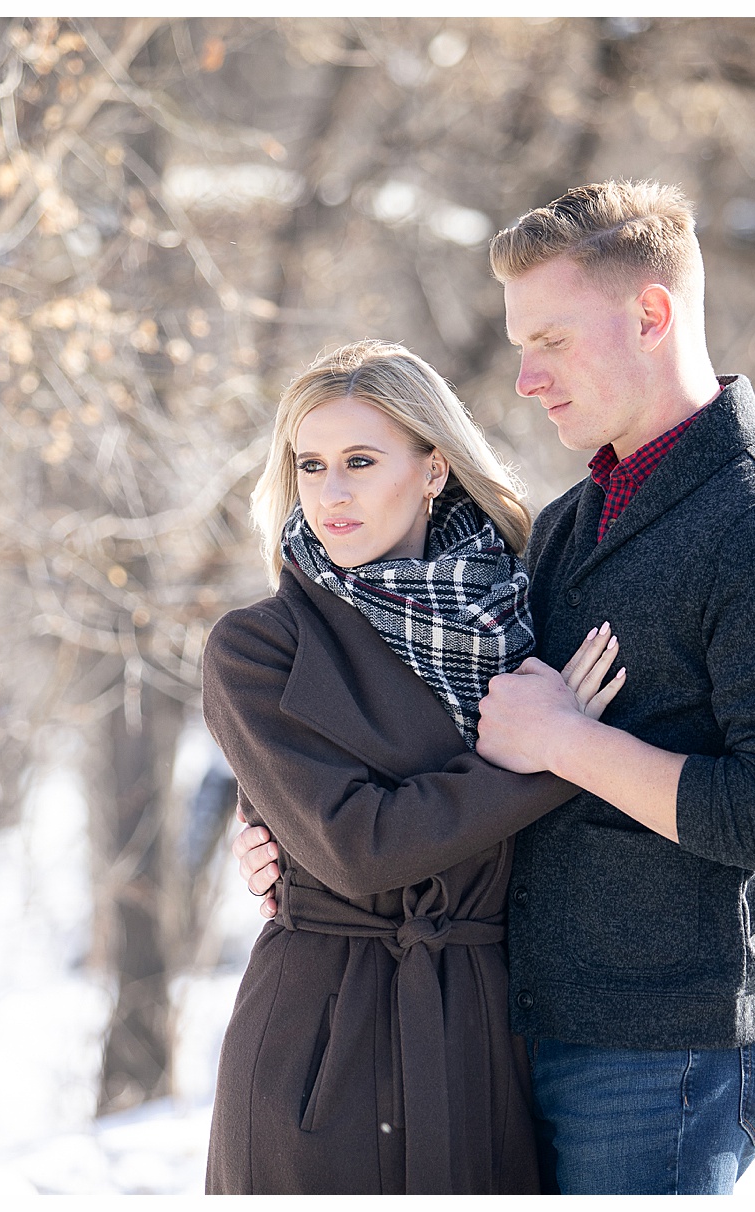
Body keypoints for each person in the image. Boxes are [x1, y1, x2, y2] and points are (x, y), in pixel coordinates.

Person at [232, 181, 755, 1195]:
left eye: (553, 343)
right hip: (523, 1025)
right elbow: (434, 722)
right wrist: (276, 825)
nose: (526, 380)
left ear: (651, 316)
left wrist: (570, 746)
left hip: (665, 1050)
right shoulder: (573, 525)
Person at [200, 339, 628, 1194]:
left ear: (434, 469)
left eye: (361, 460)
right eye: (311, 465)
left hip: (483, 1030)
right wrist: (551, 754)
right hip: (325, 1033)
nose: (332, 492)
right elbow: (358, 848)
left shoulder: (523, 613)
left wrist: (562, 747)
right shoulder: (259, 647)